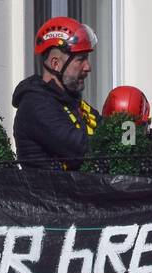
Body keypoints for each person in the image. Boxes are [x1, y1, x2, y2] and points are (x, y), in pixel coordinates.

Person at [12, 16, 100, 168]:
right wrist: (124, 141)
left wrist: (135, 132)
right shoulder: (36, 105)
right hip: (48, 191)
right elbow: (81, 148)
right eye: (81, 59)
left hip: (77, 191)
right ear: (56, 64)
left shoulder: (70, 101)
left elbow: (106, 128)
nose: (88, 67)